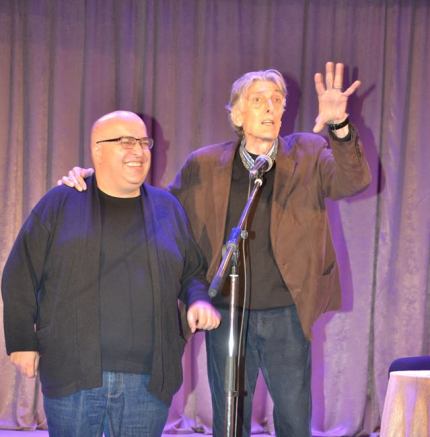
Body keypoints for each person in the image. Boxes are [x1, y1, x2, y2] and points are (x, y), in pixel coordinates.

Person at [59, 62, 371, 436]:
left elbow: (353, 181)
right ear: (237, 114)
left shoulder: (309, 152)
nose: (270, 107)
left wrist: (339, 127)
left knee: (293, 417)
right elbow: (158, 208)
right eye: (258, 100)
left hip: (288, 312)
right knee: (229, 417)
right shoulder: (205, 164)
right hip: (226, 311)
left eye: (277, 100)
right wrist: (100, 180)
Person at [2, 110, 221, 437]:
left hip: (148, 381)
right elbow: (20, 274)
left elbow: (192, 271)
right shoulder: (61, 202)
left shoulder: (167, 208)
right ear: (97, 151)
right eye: (126, 142)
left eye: (144, 142)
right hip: (73, 375)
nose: (139, 151)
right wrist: (21, 341)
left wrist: (198, 299)